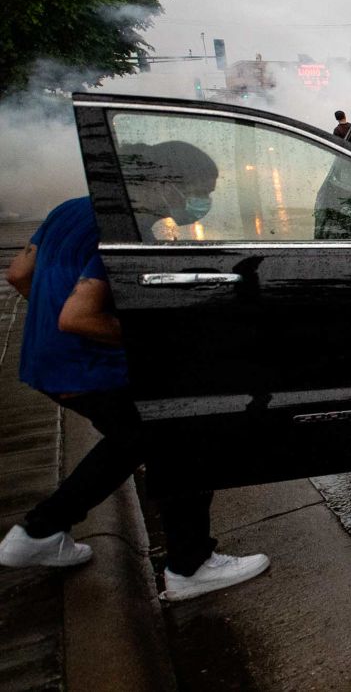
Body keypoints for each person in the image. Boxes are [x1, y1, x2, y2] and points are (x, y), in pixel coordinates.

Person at [0, 185, 270, 601]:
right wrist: (157, 341)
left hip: (46, 361)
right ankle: (190, 565)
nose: (201, 200)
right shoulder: (127, 224)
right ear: (168, 184)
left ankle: (41, 531)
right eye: (199, 190)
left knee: (134, 442)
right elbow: (80, 316)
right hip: (98, 368)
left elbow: (18, 274)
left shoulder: (69, 210)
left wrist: (54, 321)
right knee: (183, 436)